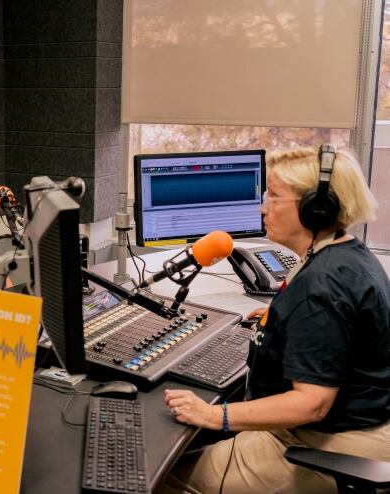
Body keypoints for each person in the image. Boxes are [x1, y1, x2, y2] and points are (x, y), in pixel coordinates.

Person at [159, 146, 390, 493]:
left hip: (328, 442)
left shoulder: (323, 285)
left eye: (274, 198)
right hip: (356, 424)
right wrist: (278, 322)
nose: (263, 207)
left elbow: (311, 403)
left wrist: (212, 416)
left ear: (314, 209)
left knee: (166, 475)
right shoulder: (343, 252)